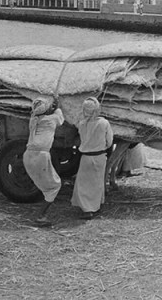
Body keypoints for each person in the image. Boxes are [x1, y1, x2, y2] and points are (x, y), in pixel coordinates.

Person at [23, 96, 64, 226]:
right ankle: (41, 216)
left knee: (44, 185)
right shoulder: (52, 119)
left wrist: (50, 107)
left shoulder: (33, 119)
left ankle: (41, 213)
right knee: (54, 186)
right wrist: (57, 105)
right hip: (40, 156)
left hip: (28, 155)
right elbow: (60, 117)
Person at [71, 97, 113, 220]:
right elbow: (109, 141)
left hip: (86, 157)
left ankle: (86, 209)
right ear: (97, 109)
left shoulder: (81, 124)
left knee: (83, 183)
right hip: (99, 157)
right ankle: (94, 207)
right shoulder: (104, 123)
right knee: (97, 182)